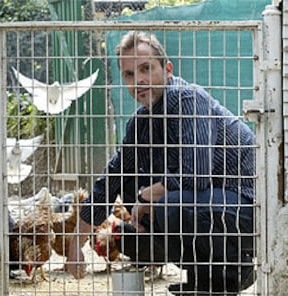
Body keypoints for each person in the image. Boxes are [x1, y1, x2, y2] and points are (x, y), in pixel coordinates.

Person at [67, 31, 256, 295]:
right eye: (129, 75)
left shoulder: (189, 99)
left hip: (247, 210)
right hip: (207, 209)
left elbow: (196, 176)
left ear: (167, 69)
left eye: (146, 69)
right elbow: (110, 179)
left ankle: (231, 273)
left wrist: (146, 196)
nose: (139, 80)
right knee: (129, 234)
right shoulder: (140, 123)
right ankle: (201, 281)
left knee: (168, 204)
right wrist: (75, 243)